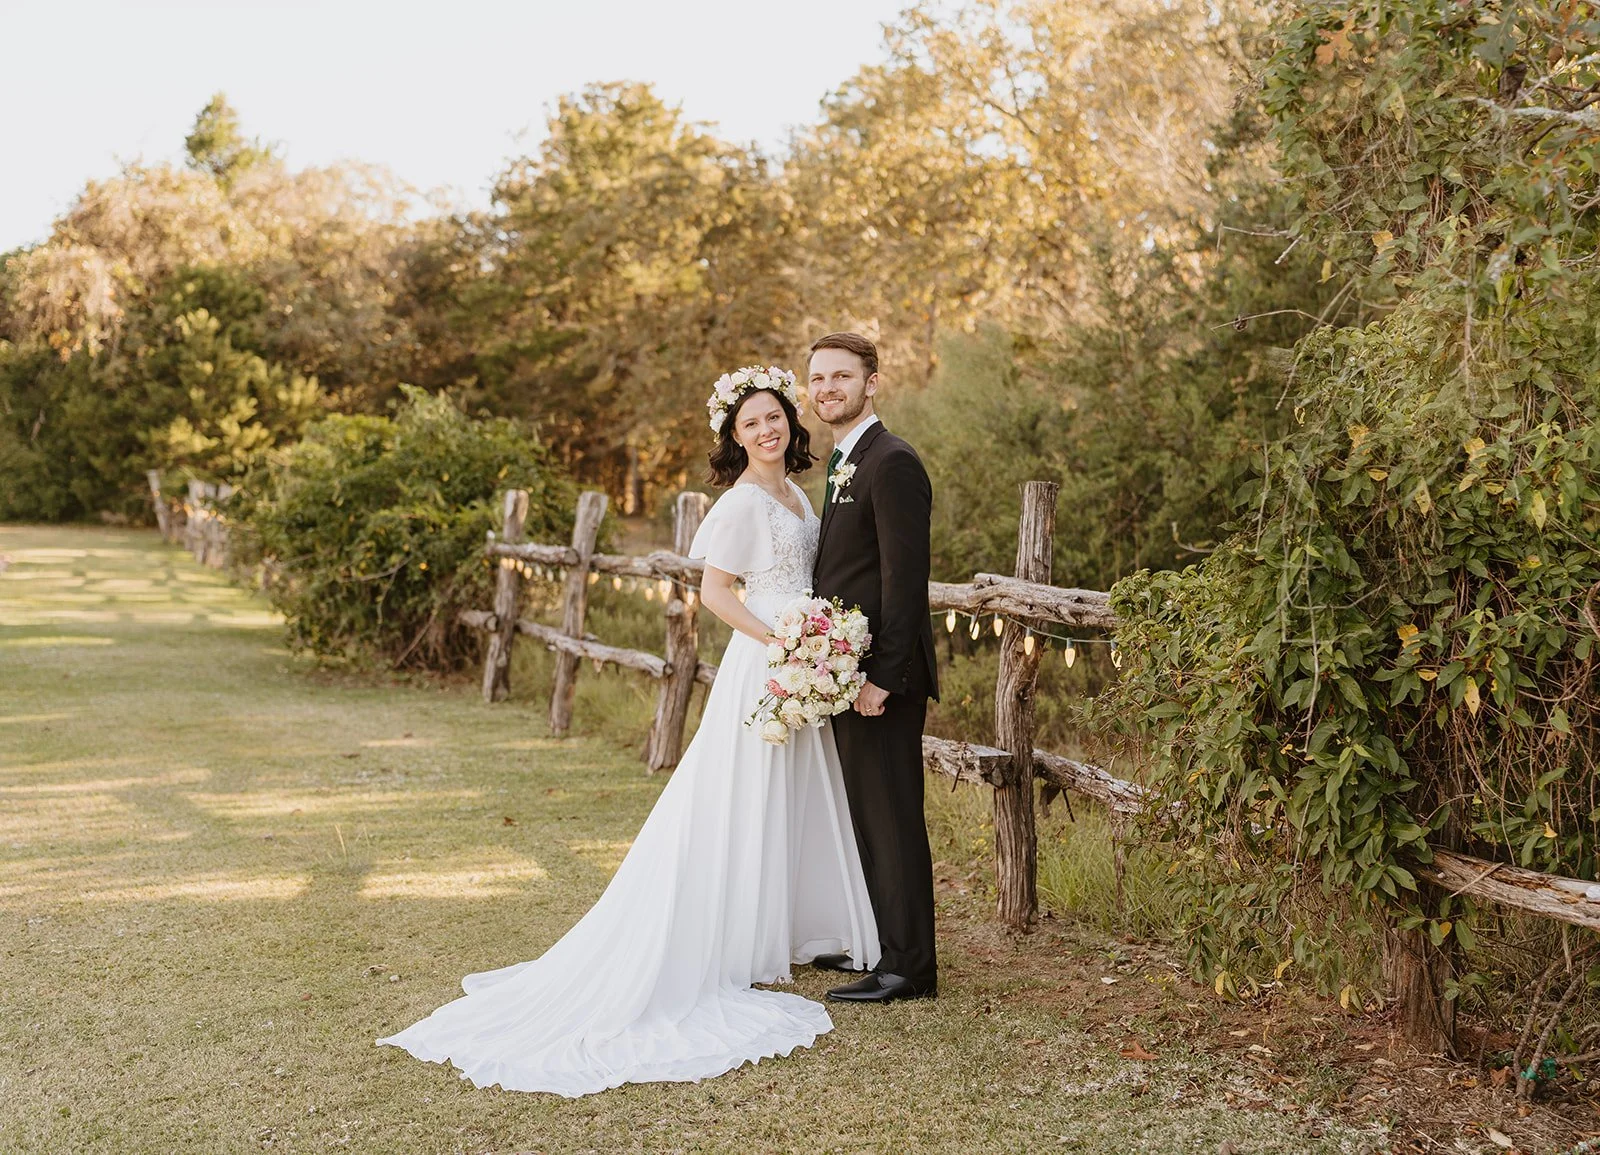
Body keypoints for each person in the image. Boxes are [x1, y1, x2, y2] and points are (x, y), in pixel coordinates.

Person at [377, 367, 878, 1096]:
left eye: (774, 418)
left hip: (799, 657)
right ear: (735, 440)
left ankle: (792, 927)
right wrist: (784, 641)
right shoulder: (740, 503)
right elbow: (714, 593)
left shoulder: (799, 492)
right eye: (751, 425)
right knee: (739, 792)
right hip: (766, 660)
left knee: (794, 790)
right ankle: (728, 933)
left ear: (789, 422)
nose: (766, 430)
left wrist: (815, 641)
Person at [807, 332, 941, 1003]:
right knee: (870, 815)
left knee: (893, 817)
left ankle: (910, 968)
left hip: (883, 680)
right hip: (849, 676)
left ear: (872, 382)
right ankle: (892, 948)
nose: (827, 388)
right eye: (819, 379)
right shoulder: (842, 463)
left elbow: (905, 579)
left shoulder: (891, 463)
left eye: (841, 376)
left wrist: (882, 678)